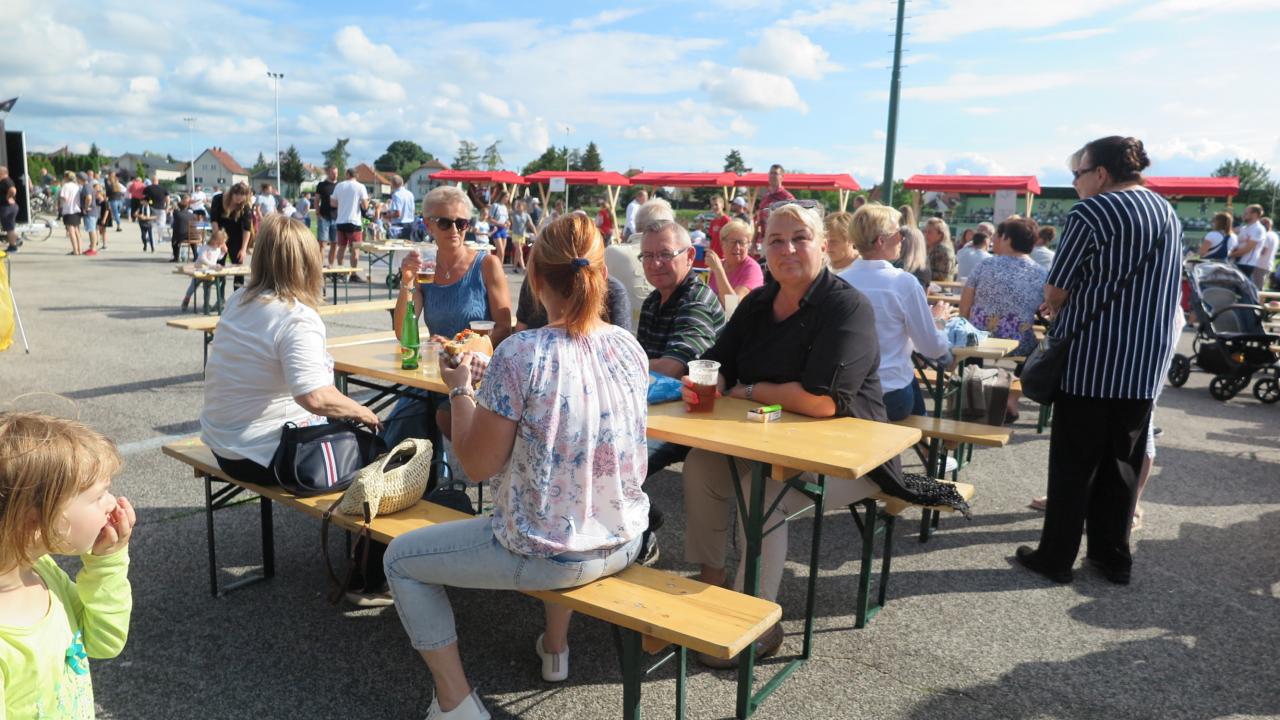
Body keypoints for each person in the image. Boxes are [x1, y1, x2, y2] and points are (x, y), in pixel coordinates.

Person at [384, 214, 649, 719]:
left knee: (398, 560)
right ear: (599, 274)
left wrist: (460, 389)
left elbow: (476, 466)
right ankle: (555, 647)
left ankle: (455, 701)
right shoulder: (627, 347)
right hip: (622, 539)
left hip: (551, 553)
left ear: (535, 276)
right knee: (563, 504)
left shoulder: (521, 353)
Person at [682, 203, 953, 667]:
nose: (787, 249)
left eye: (799, 238)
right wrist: (709, 381)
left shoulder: (846, 306)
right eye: (776, 240)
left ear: (824, 246)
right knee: (701, 466)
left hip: (852, 459)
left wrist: (752, 390)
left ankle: (755, 622)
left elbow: (824, 401)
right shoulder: (757, 303)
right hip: (770, 443)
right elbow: (719, 361)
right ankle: (713, 586)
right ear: (764, 249)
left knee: (763, 493)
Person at [1016, 136, 1181, 586]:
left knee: (1075, 465)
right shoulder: (1165, 212)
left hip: (1092, 358)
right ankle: (1113, 557)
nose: (1075, 182)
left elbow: (1056, 289)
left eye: (1079, 173)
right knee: (1122, 465)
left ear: (1101, 174)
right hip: (1143, 362)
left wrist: (1057, 308)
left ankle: (1056, 557)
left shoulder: (1092, 211)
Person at [200, 214, 381, 486]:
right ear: (308, 263)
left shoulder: (239, 299)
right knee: (377, 451)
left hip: (224, 447)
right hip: (263, 454)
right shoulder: (295, 317)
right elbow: (315, 398)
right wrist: (363, 412)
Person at [0, 412, 137, 720]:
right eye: (98, 496)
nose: (112, 503)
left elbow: (103, 641)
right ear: (33, 523)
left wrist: (106, 563)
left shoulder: (41, 572)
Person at [385, 186, 513, 448]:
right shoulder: (426, 270)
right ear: (428, 225)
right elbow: (401, 331)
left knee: (440, 416)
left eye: (461, 223)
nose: (455, 230)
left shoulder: (487, 265)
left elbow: (503, 328)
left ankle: (453, 466)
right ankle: (425, 469)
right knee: (401, 423)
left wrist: (459, 348)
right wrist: (407, 282)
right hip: (435, 373)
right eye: (445, 223)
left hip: (478, 373)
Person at [838, 204, 950, 421]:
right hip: (888, 396)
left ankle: (928, 440)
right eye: (898, 233)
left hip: (847, 393)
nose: (902, 238)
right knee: (907, 381)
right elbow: (932, 348)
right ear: (881, 241)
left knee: (908, 378)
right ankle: (929, 441)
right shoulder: (903, 283)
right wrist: (939, 323)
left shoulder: (839, 280)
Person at [959, 217, 1048, 422]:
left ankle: (973, 395)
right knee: (1037, 351)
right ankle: (1012, 397)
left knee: (970, 338)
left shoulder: (984, 265)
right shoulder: (1041, 273)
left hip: (980, 339)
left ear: (1007, 239)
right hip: (1018, 342)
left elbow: (965, 305)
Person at [705, 219, 764, 310]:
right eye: (732, 241)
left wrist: (718, 271)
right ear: (722, 243)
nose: (737, 247)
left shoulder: (752, 269)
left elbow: (732, 306)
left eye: (742, 242)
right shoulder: (718, 265)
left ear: (748, 245)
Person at [210, 182, 255, 287]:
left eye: (242, 196)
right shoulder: (218, 199)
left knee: (238, 268)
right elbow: (214, 221)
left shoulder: (246, 206)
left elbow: (247, 229)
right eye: (237, 195)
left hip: (237, 237)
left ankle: (238, 294)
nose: (239, 198)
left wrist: (243, 249)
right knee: (219, 266)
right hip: (220, 234)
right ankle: (220, 293)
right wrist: (221, 242)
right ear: (231, 193)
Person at [331, 168, 368, 279]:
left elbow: (333, 203)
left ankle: (341, 271)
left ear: (347, 174)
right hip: (354, 221)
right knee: (355, 249)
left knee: (341, 247)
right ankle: (353, 274)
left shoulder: (339, 185)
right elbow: (365, 206)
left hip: (341, 221)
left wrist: (343, 204)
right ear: (356, 176)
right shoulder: (360, 187)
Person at [181, 229, 228, 310]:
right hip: (199, 270)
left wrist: (223, 253)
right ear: (215, 241)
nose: (221, 246)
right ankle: (187, 298)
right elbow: (202, 258)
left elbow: (218, 257)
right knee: (193, 286)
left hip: (209, 272)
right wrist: (211, 265)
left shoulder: (217, 249)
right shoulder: (205, 248)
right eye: (221, 244)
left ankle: (206, 304)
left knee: (207, 287)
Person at [754, 164, 796, 240]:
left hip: (781, 240)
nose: (772, 176)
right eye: (771, 173)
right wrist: (754, 241)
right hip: (765, 240)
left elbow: (794, 220)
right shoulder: (765, 198)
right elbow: (759, 221)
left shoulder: (787, 198)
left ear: (782, 177)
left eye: (775, 173)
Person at [1229, 204, 1266, 284]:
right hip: (1237, 262)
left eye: (1246, 213)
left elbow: (1247, 249)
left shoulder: (1258, 228)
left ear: (1255, 214)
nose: (1243, 215)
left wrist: (1229, 255)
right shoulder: (1244, 227)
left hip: (1247, 264)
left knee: (1243, 289)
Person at [383, 174, 416, 241]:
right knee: (407, 245)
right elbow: (413, 210)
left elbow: (398, 214)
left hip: (399, 225)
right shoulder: (410, 194)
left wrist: (386, 216)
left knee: (397, 245)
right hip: (410, 223)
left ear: (393, 184)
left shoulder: (396, 195)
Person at [59, 171, 84, 255]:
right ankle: (80, 249)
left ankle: (75, 250)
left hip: (69, 210)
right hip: (77, 209)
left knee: (71, 231)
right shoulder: (77, 186)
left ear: (66, 178)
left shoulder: (65, 186)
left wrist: (60, 204)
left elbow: (64, 198)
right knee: (77, 230)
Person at [316, 166, 339, 256]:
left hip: (337, 218)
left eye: (336, 173)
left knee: (335, 244)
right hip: (324, 217)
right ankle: (319, 263)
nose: (335, 175)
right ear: (329, 173)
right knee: (322, 244)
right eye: (333, 173)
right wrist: (318, 214)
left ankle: (331, 263)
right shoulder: (321, 185)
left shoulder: (340, 186)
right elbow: (316, 200)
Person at [79, 174, 101, 256]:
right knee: (91, 230)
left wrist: (86, 207)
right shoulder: (88, 186)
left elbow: (89, 197)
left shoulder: (86, 187)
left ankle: (93, 248)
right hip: (93, 211)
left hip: (90, 212)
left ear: (80, 179)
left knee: (92, 230)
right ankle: (92, 247)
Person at [509, 198, 533, 272]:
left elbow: (531, 225)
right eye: (518, 205)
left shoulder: (526, 215)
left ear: (523, 206)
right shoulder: (514, 213)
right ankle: (523, 268)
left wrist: (536, 233)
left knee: (518, 252)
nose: (518, 206)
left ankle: (514, 267)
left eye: (520, 205)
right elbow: (508, 211)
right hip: (515, 234)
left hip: (522, 235)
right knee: (519, 251)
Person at [170, 195, 196, 262]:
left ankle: (176, 257)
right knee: (192, 240)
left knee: (174, 240)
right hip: (192, 236)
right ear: (187, 207)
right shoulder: (192, 215)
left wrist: (175, 206)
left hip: (181, 236)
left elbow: (174, 209)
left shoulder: (177, 213)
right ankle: (195, 256)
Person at [488, 190, 509, 264]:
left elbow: (506, 219)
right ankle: (495, 266)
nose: (508, 198)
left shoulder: (505, 207)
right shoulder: (495, 205)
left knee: (502, 253)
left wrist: (508, 222)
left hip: (503, 229)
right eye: (506, 196)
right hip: (496, 229)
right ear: (502, 196)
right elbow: (490, 219)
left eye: (508, 197)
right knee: (501, 251)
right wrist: (500, 224)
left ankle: (499, 268)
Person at [1258, 217, 1278, 289]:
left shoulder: (1267, 235)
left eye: (1261, 223)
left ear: (1268, 224)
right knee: (1260, 287)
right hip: (1267, 265)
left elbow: (1263, 251)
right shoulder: (1274, 235)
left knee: (1257, 288)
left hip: (1260, 265)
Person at [0, 167, 16, 252]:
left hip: (7, 207)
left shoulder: (6, 181)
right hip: (8, 207)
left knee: (9, 228)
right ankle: (15, 240)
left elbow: (13, 190)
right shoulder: (5, 181)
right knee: (10, 227)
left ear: (2, 173)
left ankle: (13, 247)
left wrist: (8, 197)